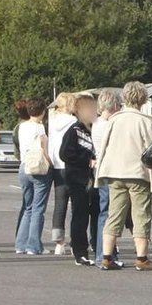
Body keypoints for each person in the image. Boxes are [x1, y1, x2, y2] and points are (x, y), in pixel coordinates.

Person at [95, 81, 152, 271]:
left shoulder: (114, 120)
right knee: (141, 215)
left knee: (114, 214)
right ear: (143, 99)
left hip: (114, 173)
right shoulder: (146, 122)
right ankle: (142, 258)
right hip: (137, 174)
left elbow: (105, 146)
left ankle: (107, 256)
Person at [60, 94, 98, 267]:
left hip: (97, 179)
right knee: (80, 214)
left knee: (98, 214)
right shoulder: (74, 131)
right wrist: (86, 159)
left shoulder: (98, 129)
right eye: (88, 109)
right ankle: (80, 251)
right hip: (78, 178)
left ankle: (100, 248)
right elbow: (65, 154)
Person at [14, 98, 53, 255]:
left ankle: (20, 244)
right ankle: (34, 245)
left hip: (24, 166)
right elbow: (43, 148)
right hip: (38, 168)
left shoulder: (22, 126)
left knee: (28, 207)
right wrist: (51, 163)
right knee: (38, 209)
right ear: (43, 111)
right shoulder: (40, 127)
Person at [91, 88, 123, 267]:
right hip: (110, 171)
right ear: (115, 105)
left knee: (105, 212)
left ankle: (104, 253)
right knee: (109, 213)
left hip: (101, 170)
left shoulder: (97, 123)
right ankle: (105, 254)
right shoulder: (109, 124)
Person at [48, 92, 77, 255]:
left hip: (57, 165)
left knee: (60, 203)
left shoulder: (53, 121)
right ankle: (75, 241)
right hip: (71, 164)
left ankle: (59, 242)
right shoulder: (73, 121)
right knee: (76, 205)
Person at [12, 98, 30, 236]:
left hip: (23, 164)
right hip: (32, 165)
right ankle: (25, 237)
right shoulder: (34, 126)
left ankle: (20, 235)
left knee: (26, 203)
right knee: (31, 207)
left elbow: (16, 151)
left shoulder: (18, 127)